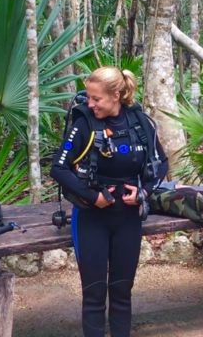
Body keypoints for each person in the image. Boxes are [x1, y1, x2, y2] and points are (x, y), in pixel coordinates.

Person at [50, 66, 168, 337]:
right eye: (89, 98)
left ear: (116, 95)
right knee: (94, 295)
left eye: (96, 99)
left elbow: (161, 163)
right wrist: (93, 197)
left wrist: (144, 193)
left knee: (121, 292)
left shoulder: (139, 123)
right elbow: (59, 167)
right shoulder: (84, 124)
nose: (90, 104)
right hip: (92, 216)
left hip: (127, 217)